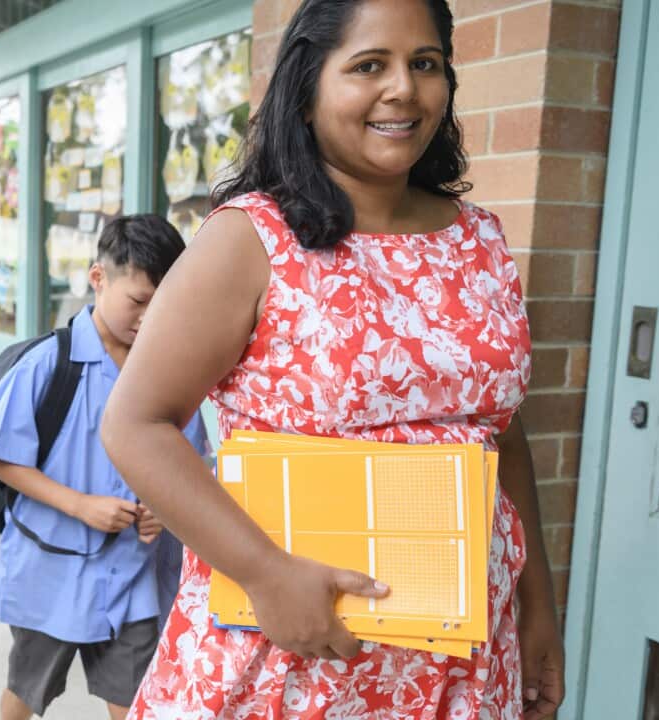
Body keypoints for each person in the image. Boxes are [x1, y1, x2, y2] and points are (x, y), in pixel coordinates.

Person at [99, 0, 564, 718]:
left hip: (458, 661)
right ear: (308, 90)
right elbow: (135, 424)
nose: (404, 88)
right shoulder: (251, 240)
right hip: (292, 654)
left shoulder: (480, 240)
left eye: (426, 64)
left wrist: (539, 609)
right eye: (369, 65)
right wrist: (265, 574)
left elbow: (498, 432)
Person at [0, 214, 210, 720]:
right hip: (52, 572)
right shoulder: (47, 364)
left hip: (133, 575)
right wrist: (80, 505)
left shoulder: (173, 372)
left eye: (162, 302)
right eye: (138, 301)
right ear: (97, 278)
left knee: (136, 700)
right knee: (26, 693)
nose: (149, 318)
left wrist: (165, 512)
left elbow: (192, 465)